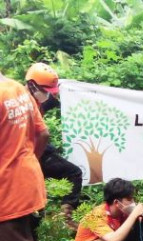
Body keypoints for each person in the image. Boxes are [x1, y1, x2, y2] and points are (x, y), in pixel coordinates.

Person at [0, 71, 60, 241]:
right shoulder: (16, 89)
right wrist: (25, 159)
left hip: (5, 184)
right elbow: (42, 134)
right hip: (25, 176)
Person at [26, 63, 83, 230]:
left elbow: (53, 101)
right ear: (32, 85)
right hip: (32, 152)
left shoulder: (38, 97)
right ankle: (64, 217)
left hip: (41, 148)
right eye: (46, 91)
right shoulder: (25, 103)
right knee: (73, 173)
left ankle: (66, 214)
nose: (48, 95)